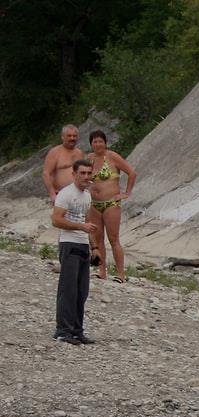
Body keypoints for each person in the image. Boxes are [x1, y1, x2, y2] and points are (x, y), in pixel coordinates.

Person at [50, 159, 99, 345]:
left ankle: (77, 331)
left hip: (83, 245)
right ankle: (63, 331)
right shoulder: (66, 194)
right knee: (68, 289)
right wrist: (80, 227)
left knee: (81, 291)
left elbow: (88, 222)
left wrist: (94, 247)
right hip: (69, 243)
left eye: (89, 173)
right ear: (74, 174)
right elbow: (56, 220)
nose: (86, 176)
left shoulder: (87, 196)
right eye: (82, 173)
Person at [86, 130, 136, 282]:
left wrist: (126, 193)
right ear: (91, 144)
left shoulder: (112, 156)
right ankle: (102, 271)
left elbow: (132, 173)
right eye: (95, 142)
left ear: (105, 142)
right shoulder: (89, 158)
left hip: (111, 204)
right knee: (98, 238)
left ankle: (121, 274)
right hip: (94, 204)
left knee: (113, 239)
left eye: (100, 141)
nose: (98, 144)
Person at [42, 125, 85, 204]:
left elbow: (84, 173)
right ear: (62, 137)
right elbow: (46, 174)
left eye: (74, 136)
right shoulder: (54, 152)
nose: (72, 138)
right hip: (61, 195)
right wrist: (52, 194)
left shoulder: (79, 153)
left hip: (78, 194)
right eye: (69, 136)